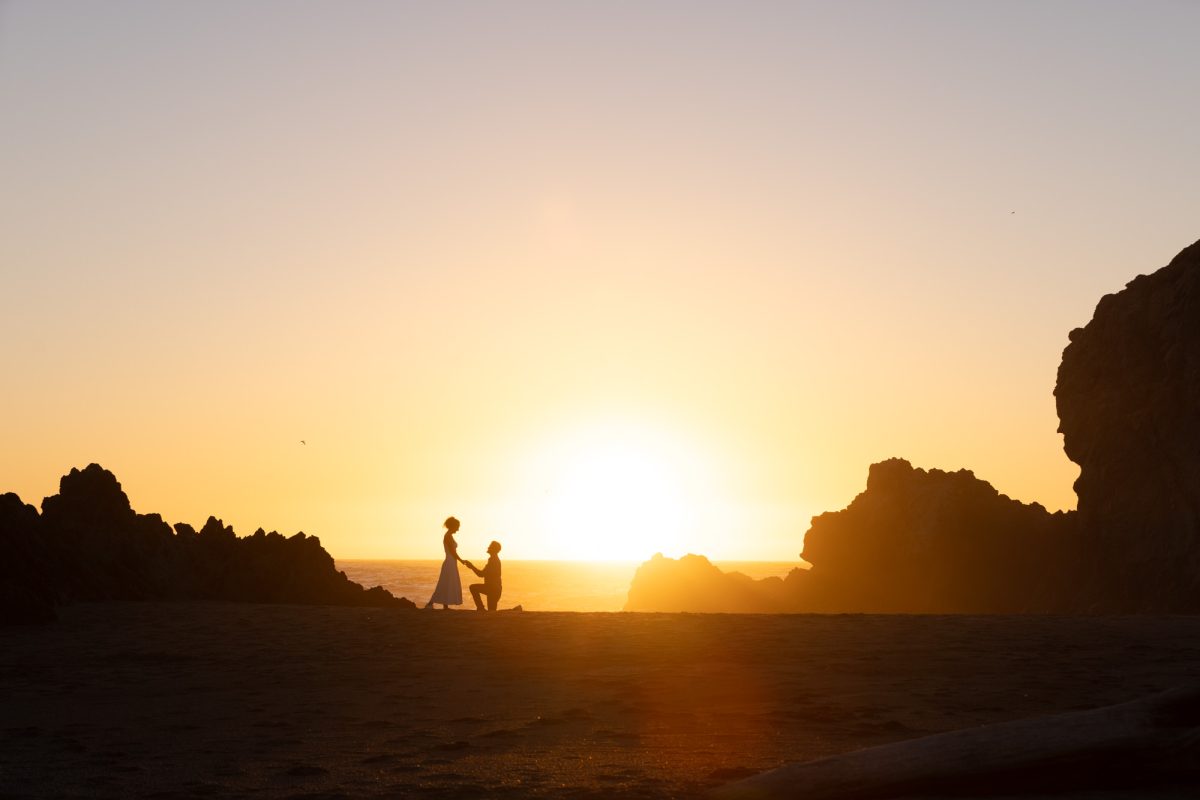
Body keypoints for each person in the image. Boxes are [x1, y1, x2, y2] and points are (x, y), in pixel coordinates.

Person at [425, 517, 465, 609]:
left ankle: (444, 605)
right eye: (457, 527)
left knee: (446, 583)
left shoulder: (449, 536)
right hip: (450, 562)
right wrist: (461, 560)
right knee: (445, 583)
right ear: (453, 526)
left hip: (451, 562)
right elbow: (452, 552)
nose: (458, 529)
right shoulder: (448, 536)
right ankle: (431, 603)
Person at [464, 540, 502, 611]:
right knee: (491, 611)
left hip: (492, 589)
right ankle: (480, 608)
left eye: (490, 547)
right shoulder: (493, 560)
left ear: (493, 549)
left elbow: (481, 574)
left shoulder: (493, 560)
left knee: (473, 588)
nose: (488, 547)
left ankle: (480, 608)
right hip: (493, 589)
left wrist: (471, 566)